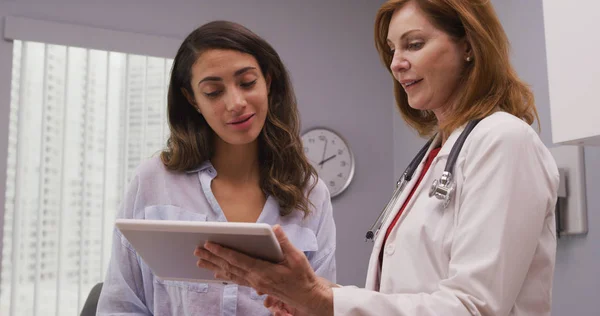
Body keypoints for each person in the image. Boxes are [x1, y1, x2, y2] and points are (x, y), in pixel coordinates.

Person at [194, 1, 559, 315]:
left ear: (469, 44)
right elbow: (399, 298)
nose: (397, 63)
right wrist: (308, 298)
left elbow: (473, 308)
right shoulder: (435, 156)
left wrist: (323, 300)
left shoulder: (505, 141)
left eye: (413, 44)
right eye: (392, 50)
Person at [96, 20, 337, 316]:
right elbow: (120, 306)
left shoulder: (311, 194)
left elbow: (322, 306)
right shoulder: (152, 182)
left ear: (268, 82)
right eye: (213, 91)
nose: (236, 103)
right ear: (192, 100)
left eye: (247, 83)